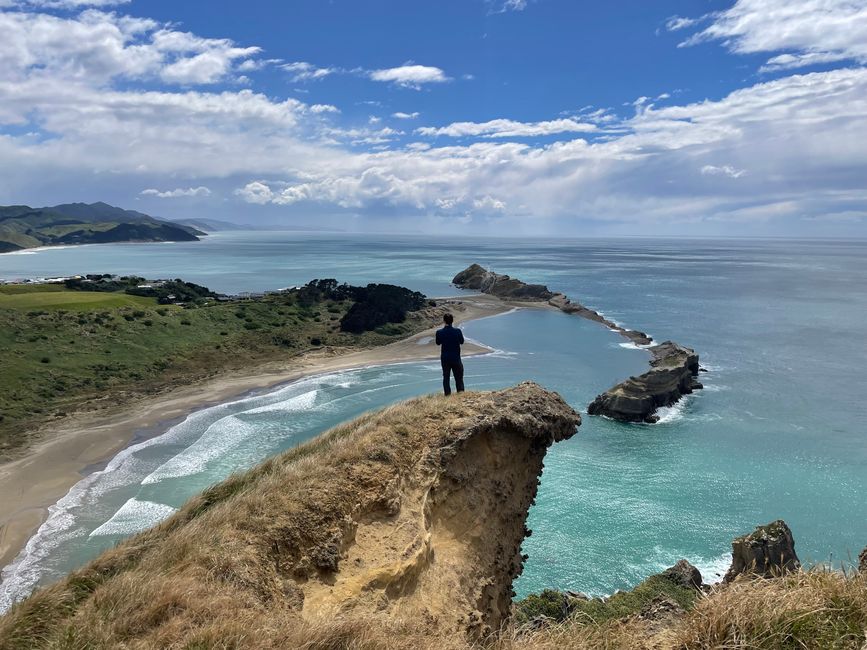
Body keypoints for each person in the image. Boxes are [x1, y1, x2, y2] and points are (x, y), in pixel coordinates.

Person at [435, 312, 464, 395]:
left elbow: (438, 343)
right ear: (452, 321)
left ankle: (447, 395)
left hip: (445, 358)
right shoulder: (457, 331)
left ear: (444, 321)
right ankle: (461, 394)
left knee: (446, 378)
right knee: (459, 377)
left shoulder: (439, 332)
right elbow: (462, 342)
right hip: (456, 357)